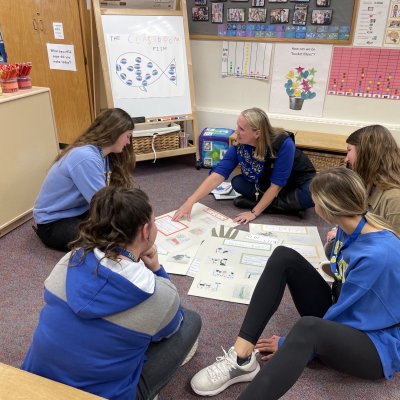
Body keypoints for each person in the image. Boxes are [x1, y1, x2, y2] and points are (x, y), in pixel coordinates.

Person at [190, 167, 400, 399]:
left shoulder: (376, 257)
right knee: (284, 257)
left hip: (376, 344)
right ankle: (241, 357)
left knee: (307, 329)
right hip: (347, 309)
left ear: (329, 209)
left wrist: (290, 343)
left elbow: (347, 317)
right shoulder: (349, 226)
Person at [22, 186, 202, 400]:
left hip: (32, 383)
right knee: (190, 320)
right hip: (105, 395)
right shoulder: (161, 294)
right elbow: (172, 327)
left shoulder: (70, 259)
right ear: (145, 231)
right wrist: (157, 270)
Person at [173, 108, 316, 224]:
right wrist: (190, 201)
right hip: (268, 180)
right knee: (237, 183)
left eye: (241, 129)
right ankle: (286, 207)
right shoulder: (240, 145)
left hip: (295, 181)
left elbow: (277, 185)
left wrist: (253, 213)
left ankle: (263, 205)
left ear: (257, 133)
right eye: (237, 126)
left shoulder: (283, 143)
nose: (236, 131)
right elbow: (217, 175)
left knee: (310, 196)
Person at [33, 108, 137, 252]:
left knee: (124, 228)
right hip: (53, 223)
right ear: (115, 133)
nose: (128, 142)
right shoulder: (86, 157)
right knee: (115, 239)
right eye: (127, 136)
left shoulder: (103, 154)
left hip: (77, 212)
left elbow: (114, 194)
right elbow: (103, 204)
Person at [325, 125, 400, 255]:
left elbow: (394, 249)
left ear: (366, 153)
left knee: (336, 249)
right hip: (374, 244)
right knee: (332, 247)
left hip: (383, 256)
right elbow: (359, 217)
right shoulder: (370, 183)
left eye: (349, 150)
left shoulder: (394, 198)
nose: (346, 158)